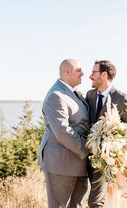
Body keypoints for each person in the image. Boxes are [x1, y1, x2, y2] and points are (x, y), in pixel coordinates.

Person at [86, 60, 127, 208]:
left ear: (104, 75)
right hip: (86, 156)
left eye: (94, 72)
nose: (90, 76)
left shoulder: (121, 98)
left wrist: (123, 143)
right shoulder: (90, 95)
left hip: (106, 160)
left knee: (95, 202)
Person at [38, 59, 90, 208]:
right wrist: (88, 148)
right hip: (61, 163)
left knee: (77, 205)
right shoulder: (56, 95)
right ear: (67, 72)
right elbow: (62, 131)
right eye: (78, 70)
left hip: (78, 161)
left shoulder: (73, 93)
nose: (83, 74)